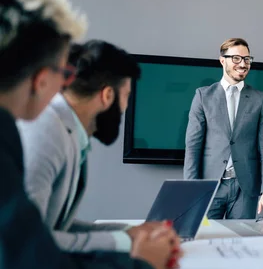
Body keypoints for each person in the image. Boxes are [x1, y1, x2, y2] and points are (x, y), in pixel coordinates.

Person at [0, 0, 177, 269]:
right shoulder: (34, 131)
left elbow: (29, 233)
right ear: (40, 79)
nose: (65, 87)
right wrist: (142, 265)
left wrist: (130, 235)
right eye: (64, 74)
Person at [19, 40, 167, 252]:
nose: (125, 107)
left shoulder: (67, 130)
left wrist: (132, 233)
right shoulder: (46, 132)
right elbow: (28, 241)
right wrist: (129, 243)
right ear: (107, 96)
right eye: (126, 96)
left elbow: (57, 228)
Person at [184, 38, 263, 220]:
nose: (242, 64)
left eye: (247, 59)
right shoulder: (203, 96)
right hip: (209, 187)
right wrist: (191, 190)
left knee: (242, 242)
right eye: (236, 58)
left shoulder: (261, 99)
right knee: (205, 241)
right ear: (222, 60)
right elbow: (193, 146)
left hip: (246, 188)